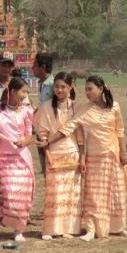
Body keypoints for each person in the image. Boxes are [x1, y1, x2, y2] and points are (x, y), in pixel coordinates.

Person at [50, 75, 127, 241]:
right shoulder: (84, 109)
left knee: (117, 192)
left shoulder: (114, 107)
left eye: (90, 89)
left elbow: (120, 131)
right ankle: (91, 229)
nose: (87, 92)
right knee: (94, 195)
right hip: (94, 158)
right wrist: (47, 141)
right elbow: (68, 127)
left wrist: (123, 152)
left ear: (101, 89)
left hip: (113, 155)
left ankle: (118, 227)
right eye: (86, 89)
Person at [34, 72, 82, 239]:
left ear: (70, 87)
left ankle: (70, 228)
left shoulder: (77, 107)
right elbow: (42, 132)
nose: (59, 90)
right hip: (54, 153)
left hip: (72, 152)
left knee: (70, 193)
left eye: (63, 87)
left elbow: (78, 133)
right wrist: (47, 150)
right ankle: (51, 229)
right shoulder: (46, 107)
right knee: (54, 192)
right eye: (57, 86)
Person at [0, 77, 35, 242]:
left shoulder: (26, 111)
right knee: (10, 192)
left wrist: (24, 141)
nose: (26, 95)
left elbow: (29, 134)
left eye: (26, 92)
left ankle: (18, 230)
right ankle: (6, 217)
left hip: (22, 157)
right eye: (23, 91)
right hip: (5, 158)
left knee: (23, 194)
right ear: (13, 91)